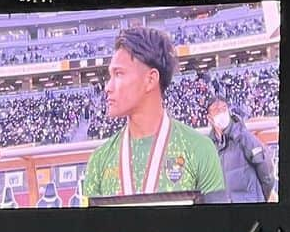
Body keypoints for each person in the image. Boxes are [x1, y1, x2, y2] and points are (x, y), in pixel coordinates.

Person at [81, 27, 224, 201]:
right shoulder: (99, 160)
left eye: (118, 74)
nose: (107, 87)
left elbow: (218, 226)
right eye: (110, 76)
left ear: (150, 79)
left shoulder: (200, 150)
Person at [207, 97, 277, 202]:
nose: (221, 112)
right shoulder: (209, 146)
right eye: (216, 110)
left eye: (224, 108)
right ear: (209, 117)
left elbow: (265, 168)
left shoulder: (244, 137)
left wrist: (263, 197)